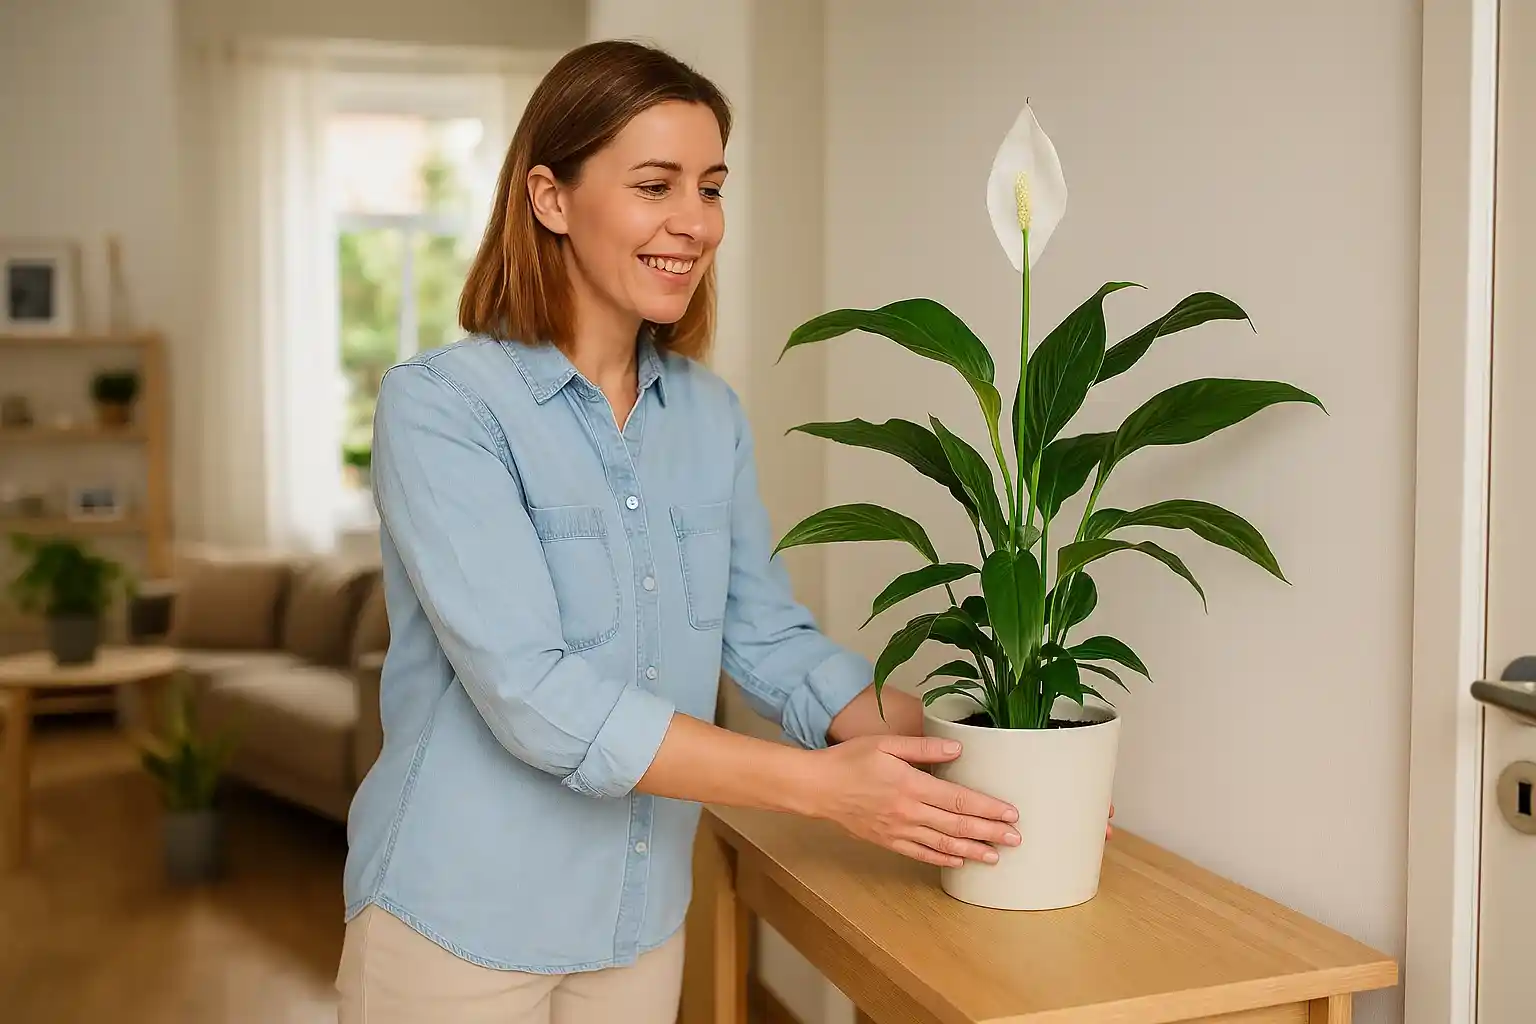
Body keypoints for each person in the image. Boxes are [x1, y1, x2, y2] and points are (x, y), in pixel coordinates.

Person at [334, 39, 1022, 1024]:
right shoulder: (444, 408)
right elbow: (534, 694)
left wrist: (981, 762)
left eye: (711, 187)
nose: (693, 224)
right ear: (551, 198)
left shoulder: (708, 415)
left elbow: (768, 640)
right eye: (656, 185)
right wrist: (825, 789)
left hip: (639, 921)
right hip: (457, 922)